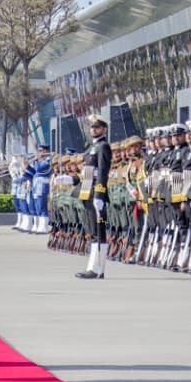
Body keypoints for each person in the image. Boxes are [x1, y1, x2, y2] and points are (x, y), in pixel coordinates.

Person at [76, 114, 112, 279]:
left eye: (97, 127)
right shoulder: (92, 148)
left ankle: (97, 268)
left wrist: (99, 194)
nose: (93, 129)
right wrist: (73, 179)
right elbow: (88, 172)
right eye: (92, 127)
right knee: (93, 230)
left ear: (104, 129)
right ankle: (93, 267)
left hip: (95, 194)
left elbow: (102, 172)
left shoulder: (103, 147)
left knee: (99, 231)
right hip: (87, 192)